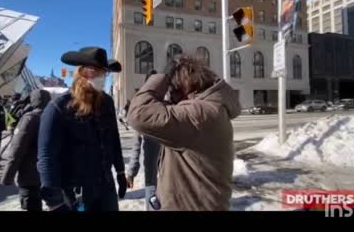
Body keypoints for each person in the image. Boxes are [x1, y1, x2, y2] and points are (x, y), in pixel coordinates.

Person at [127, 56, 242, 211]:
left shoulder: (199, 114)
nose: (170, 96)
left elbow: (138, 114)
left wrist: (163, 76)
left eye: (172, 91)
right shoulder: (211, 108)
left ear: (184, 88)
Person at [37, 47, 127, 212]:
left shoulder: (107, 102)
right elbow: (46, 157)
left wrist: (120, 172)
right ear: (82, 73)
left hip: (105, 186)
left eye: (104, 72)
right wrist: (54, 202)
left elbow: (113, 139)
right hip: (75, 192)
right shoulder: (58, 107)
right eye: (96, 71)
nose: (101, 76)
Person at [0, 89, 52, 211]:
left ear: (33, 101)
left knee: (31, 204)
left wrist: (8, 176)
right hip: (52, 173)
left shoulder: (30, 118)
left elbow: (17, 148)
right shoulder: (56, 116)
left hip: (30, 174)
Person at [126, 69, 161, 211]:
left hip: (169, 168)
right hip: (151, 172)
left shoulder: (168, 103)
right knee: (152, 201)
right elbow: (137, 143)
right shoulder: (141, 107)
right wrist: (131, 172)